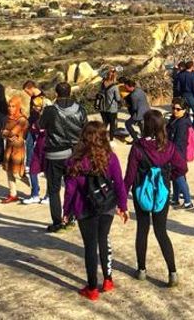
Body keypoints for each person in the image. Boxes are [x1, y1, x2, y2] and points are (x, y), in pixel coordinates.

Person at [63, 121, 129, 301]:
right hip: (106, 204)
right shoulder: (110, 157)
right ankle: (108, 280)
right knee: (104, 239)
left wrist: (66, 210)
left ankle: (92, 288)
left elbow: (70, 190)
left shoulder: (74, 161)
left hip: (83, 207)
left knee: (90, 247)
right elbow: (119, 184)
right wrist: (123, 206)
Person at [125, 110, 187, 286]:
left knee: (142, 230)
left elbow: (129, 176)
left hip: (141, 191)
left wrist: (121, 199)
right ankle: (172, 272)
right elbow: (182, 167)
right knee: (161, 231)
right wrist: (168, 177)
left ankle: (142, 269)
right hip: (161, 192)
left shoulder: (138, 147)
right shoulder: (169, 146)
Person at [39, 82, 88, 233]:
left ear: (56, 93)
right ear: (70, 92)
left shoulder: (50, 110)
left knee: (53, 190)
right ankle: (71, 217)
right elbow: (85, 129)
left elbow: (41, 125)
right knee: (72, 186)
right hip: (74, 154)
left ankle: (57, 221)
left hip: (54, 154)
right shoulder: (80, 109)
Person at [166, 98, 194, 209]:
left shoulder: (182, 123)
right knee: (174, 176)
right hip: (174, 153)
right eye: (173, 108)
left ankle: (188, 201)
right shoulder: (176, 119)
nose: (175, 111)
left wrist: (170, 153)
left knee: (179, 176)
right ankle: (175, 199)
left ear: (184, 110)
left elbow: (178, 142)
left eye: (178, 109)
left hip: (177, 154)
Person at [0, 96, 28, 204]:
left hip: (18, 148)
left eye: (13, 106)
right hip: (8, 147)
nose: (10, 108)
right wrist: (6, 133)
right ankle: (13, 194)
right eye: (9, 106)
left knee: (18, 172)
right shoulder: (8, 118)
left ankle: (34, 188)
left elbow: (12, 132)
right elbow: (2, 132)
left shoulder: (22, 119)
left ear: (18, 107)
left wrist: (7, 133)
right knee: (9, 171)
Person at [97, 69, 122, 139]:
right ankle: (111, 138)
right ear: (114, 77)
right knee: (112, 124)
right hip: (112, 108)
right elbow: (117, 98)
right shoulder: (115, 87)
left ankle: (102, 137)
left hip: (102, 107)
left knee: (105, 123)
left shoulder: (102, 84)